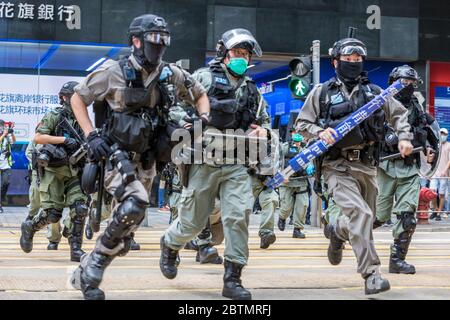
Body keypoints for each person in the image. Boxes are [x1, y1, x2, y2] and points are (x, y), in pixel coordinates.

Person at [69, 14, 210, 300]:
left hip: (148, 160)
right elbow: (77, 98)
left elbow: (200, 93)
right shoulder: (114, 72)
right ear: (136, 41)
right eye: (154, 39)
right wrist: (90, 135)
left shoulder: (171, 74)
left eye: (164, 39)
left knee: (124, 235)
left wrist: (203, 119)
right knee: (134, 203)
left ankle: (85, 272)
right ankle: (93, 271)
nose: (160, 45)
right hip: (117, 156)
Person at [160, 28, 273, 300]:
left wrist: (263, 132)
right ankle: (170, 244)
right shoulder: (203, 78)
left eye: (246, 55)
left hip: (237, 164)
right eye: (237, 53)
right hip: (204, 161)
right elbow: (175, 105)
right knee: (193, 223)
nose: (241, 59)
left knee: (238, 216)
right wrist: (186, 122)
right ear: (224, 52)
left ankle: (233, 278)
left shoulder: (251, 90)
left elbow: (265, 122)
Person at [296, 37, 413, 294]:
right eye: (348, 60)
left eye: (357, 60)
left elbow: (399, 114)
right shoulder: (322, 92)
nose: (353, 64)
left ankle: (337, 230)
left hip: (368, 165)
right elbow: (302, 125)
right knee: (362, 215)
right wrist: (319, 132)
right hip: (336, 166)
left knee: (365, 222)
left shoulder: (374, 93)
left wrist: (404, 136)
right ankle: (371, 274)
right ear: (336, 62)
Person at [374, 65, 438, 274]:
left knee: (407, 216)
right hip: (383, 167)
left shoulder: (417, 108)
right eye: (403, 82)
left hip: (409, 168)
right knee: (377, 216)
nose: (407, 86)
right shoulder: (379, 105)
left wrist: (430, 149)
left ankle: (397, 260)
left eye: (411, 83)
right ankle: (341, 232)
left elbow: (429, 132)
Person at [20, 81, 89, 262]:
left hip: (74, 171)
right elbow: (38, 137)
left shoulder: (82, 118)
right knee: (52, 214)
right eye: (74, 97)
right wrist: (64, 140)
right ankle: (30, 226)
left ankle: (76, 250)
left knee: (80, 208)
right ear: (64, 98)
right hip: (53, 170)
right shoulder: (54, 115)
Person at [278, 133, 314, 239]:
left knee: (302, 205)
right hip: (286, 181)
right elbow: (277, 160)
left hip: (301, 181)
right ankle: (282, 218)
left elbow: (309, 160)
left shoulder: (304, 150)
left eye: (298, 142)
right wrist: (280, 174)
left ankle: (297, 229)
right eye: (295, 141)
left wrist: (310, 167)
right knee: (286, 207)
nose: (296, 144)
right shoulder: (284, 148)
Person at [429, 128, 450, 221]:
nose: (442, 135)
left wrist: (445, 170)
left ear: (447, 135)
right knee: (432, 192)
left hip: (444, 174)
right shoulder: (436, 145)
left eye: (444, 134)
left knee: (442, 194)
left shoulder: (449, 146)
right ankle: (436, 209)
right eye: (441, 133)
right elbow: (431, 160)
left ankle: (439, 212)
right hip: (435, 172)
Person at [0, 120, 16, 213]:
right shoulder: (3, 136)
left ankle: (0, 202)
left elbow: (13, 141)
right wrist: (3, 135)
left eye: (3, 126)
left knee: (5, 183)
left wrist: (11, 133)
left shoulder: (6, 136)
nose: (2, 128)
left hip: (6, 164)